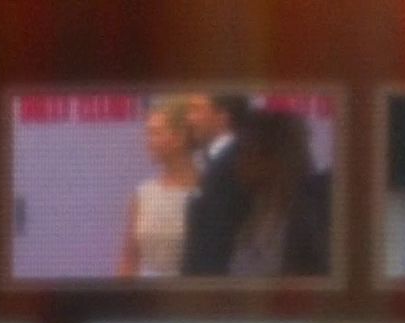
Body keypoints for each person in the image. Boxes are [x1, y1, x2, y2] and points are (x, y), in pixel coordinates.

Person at [224, 111, 331, 277]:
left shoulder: (308, 219)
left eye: (245, 152)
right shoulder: (245, 212)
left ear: (274, 159)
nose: (237, 162)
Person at [118, 100, 200, 278]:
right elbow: (129, 260)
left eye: (155, 133)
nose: (148, 142)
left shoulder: (204, 194)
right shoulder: (143, 195)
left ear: (179, 137)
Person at [179, 94, 250, 275]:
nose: (189, 119)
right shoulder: (212, 162)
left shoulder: (234, 165)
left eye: (196, 109)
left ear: (222, 117)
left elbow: (218, 240)